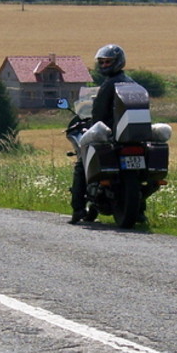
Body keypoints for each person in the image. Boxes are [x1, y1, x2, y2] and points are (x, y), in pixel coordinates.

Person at [69, 43, 134, 224]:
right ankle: (139, 210)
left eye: (108, 62)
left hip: (110, 134)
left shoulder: (108, 85)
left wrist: (91, 124)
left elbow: (98, 113)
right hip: (130, 136)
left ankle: (78, 209)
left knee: (82, 162)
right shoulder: (131, 83)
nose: (105, 65)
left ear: (117, 62)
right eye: (102, 62)